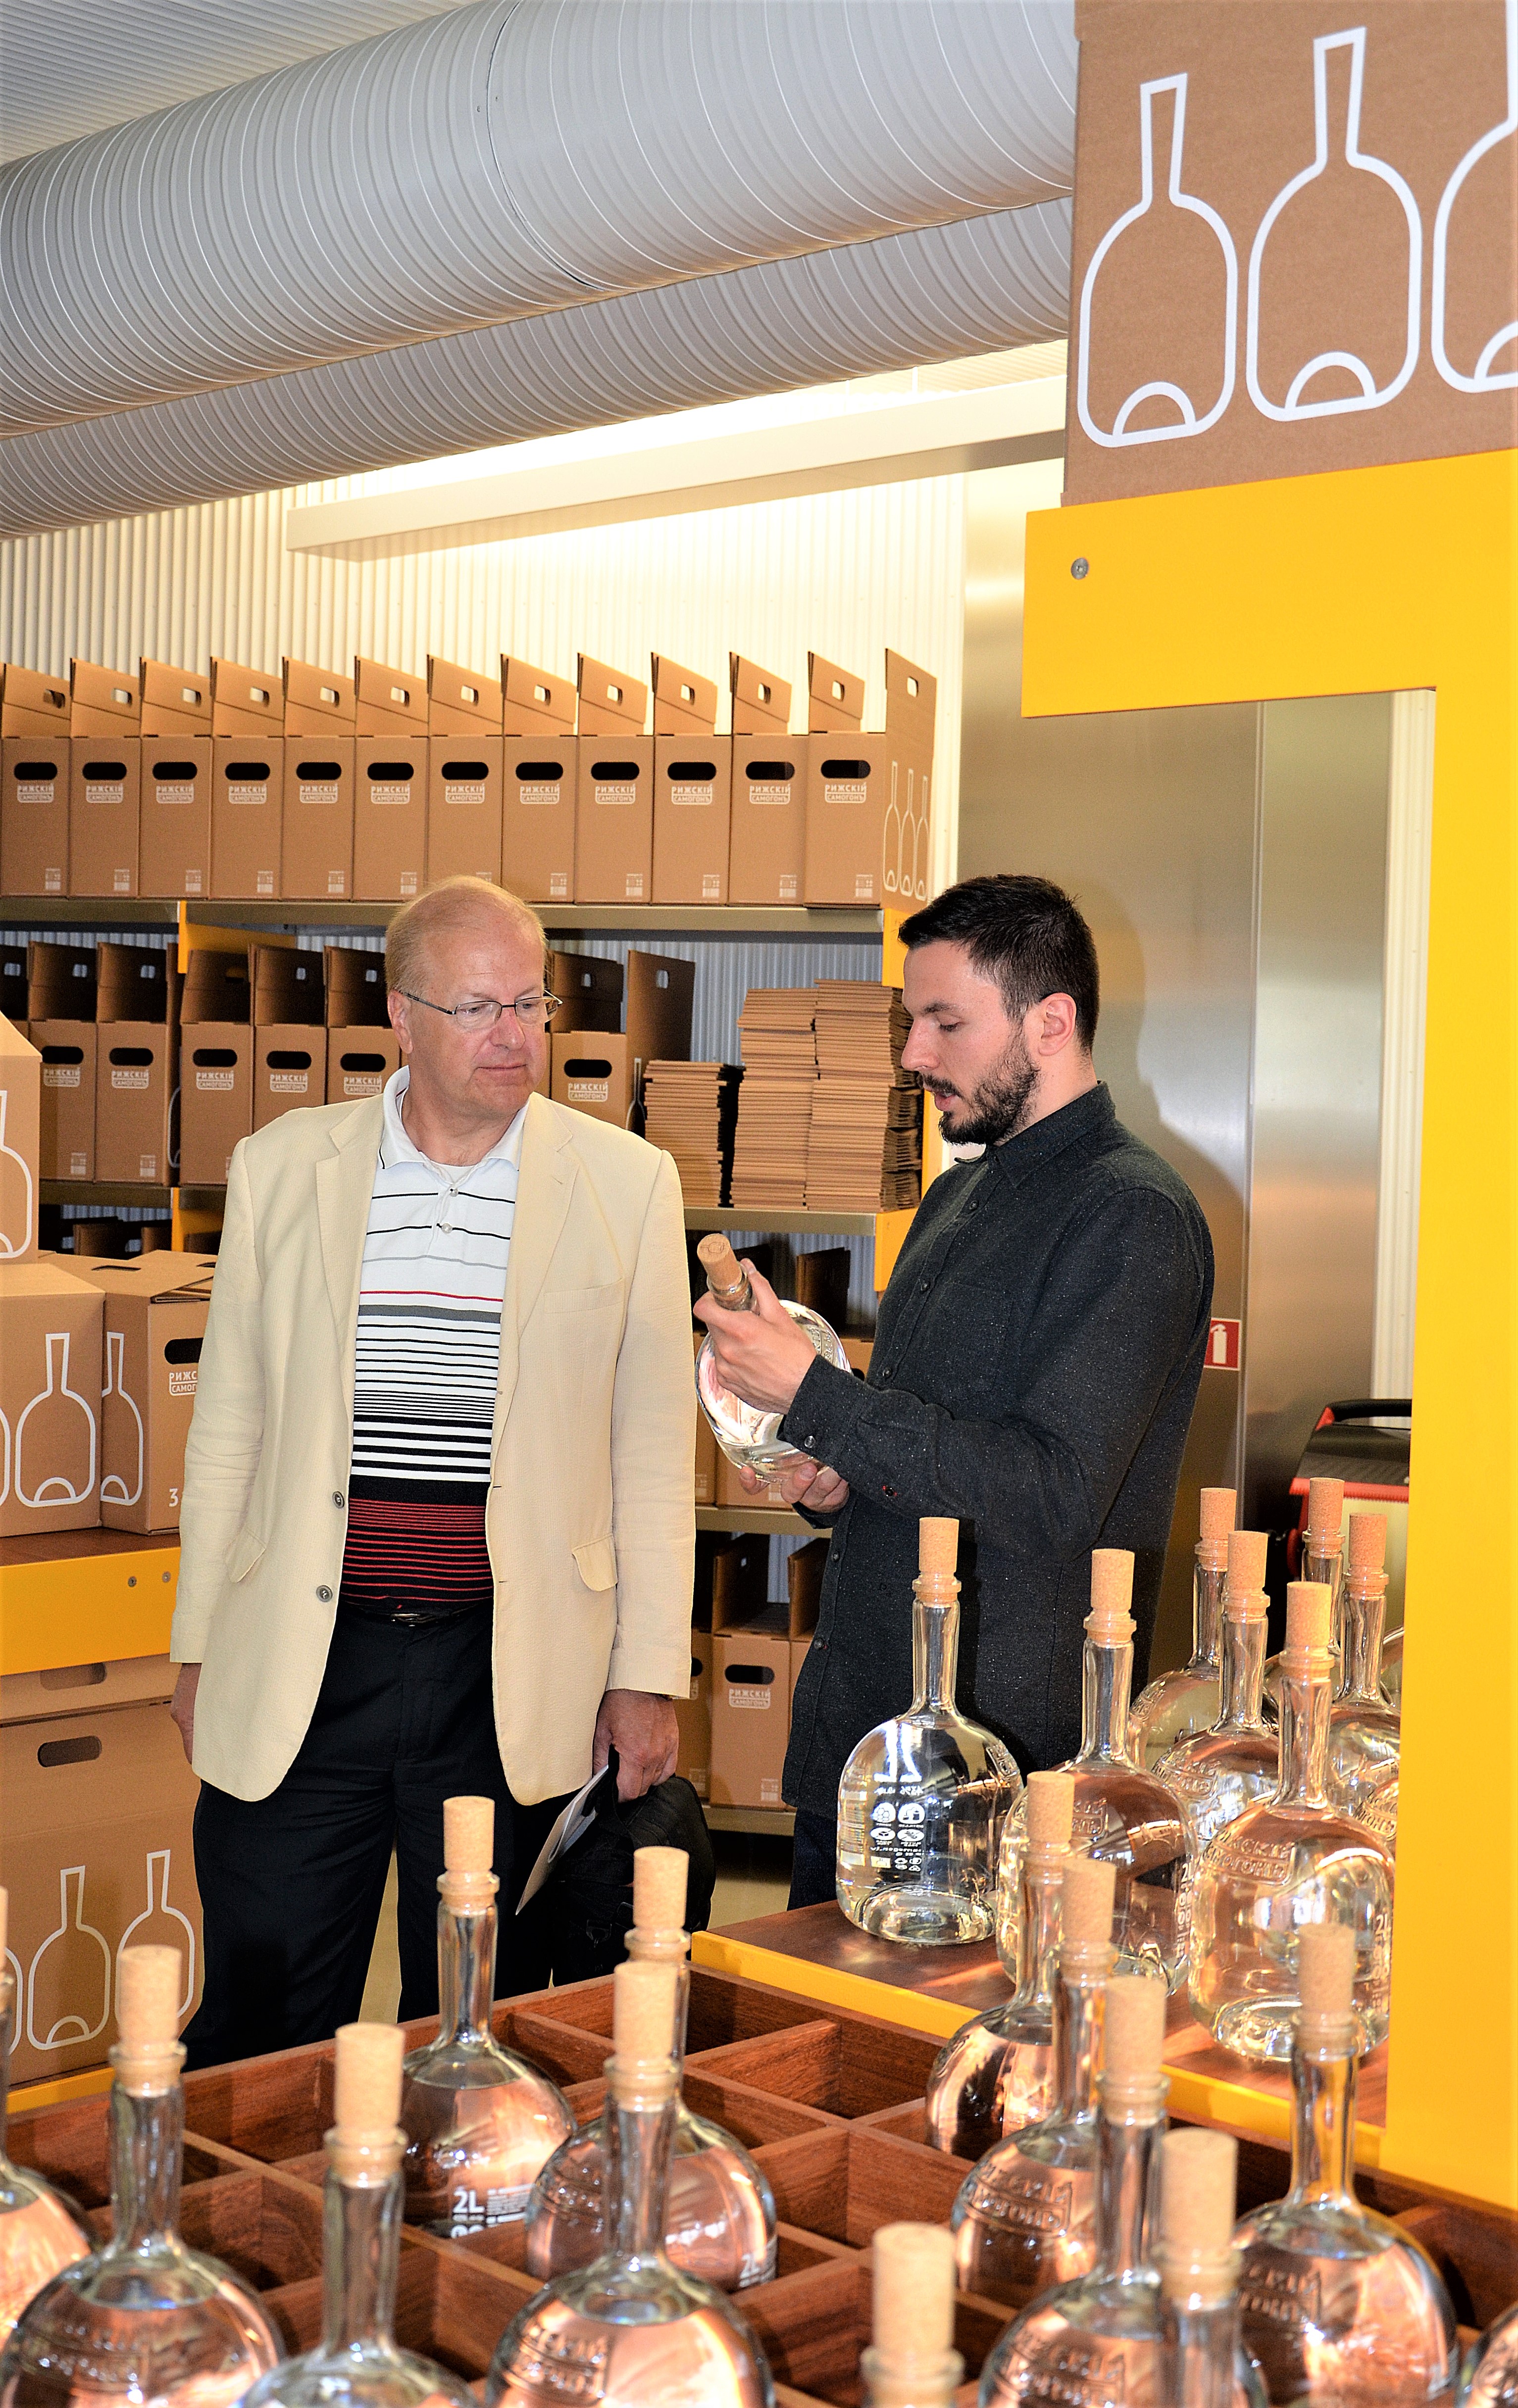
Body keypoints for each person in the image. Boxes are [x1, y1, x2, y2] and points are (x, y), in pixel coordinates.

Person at [169, 878, 694, 2062]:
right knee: (264, 2004)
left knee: (472, 2021)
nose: (515, 1035)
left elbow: (653, 1453)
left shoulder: (626, 1184)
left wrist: (645, 1676)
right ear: (401, 1017)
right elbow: (230, 1425)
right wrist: (198, 1643)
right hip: (307, 1657)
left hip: (508, 1668)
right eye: (477, 1008)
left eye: (530, 1004)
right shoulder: (282, 1168)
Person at [693, 874, 1214, 1908]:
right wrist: (833, 1474)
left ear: (1051, 1022)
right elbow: (922, 1447)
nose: (912, 1055)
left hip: (996, 1776)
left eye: (945, 1022)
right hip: (860, 1741)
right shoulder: (952, 1196)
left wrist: (816, 1395)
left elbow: (1053, 1491)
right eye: (911, 1020)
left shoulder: (1133, 1216)